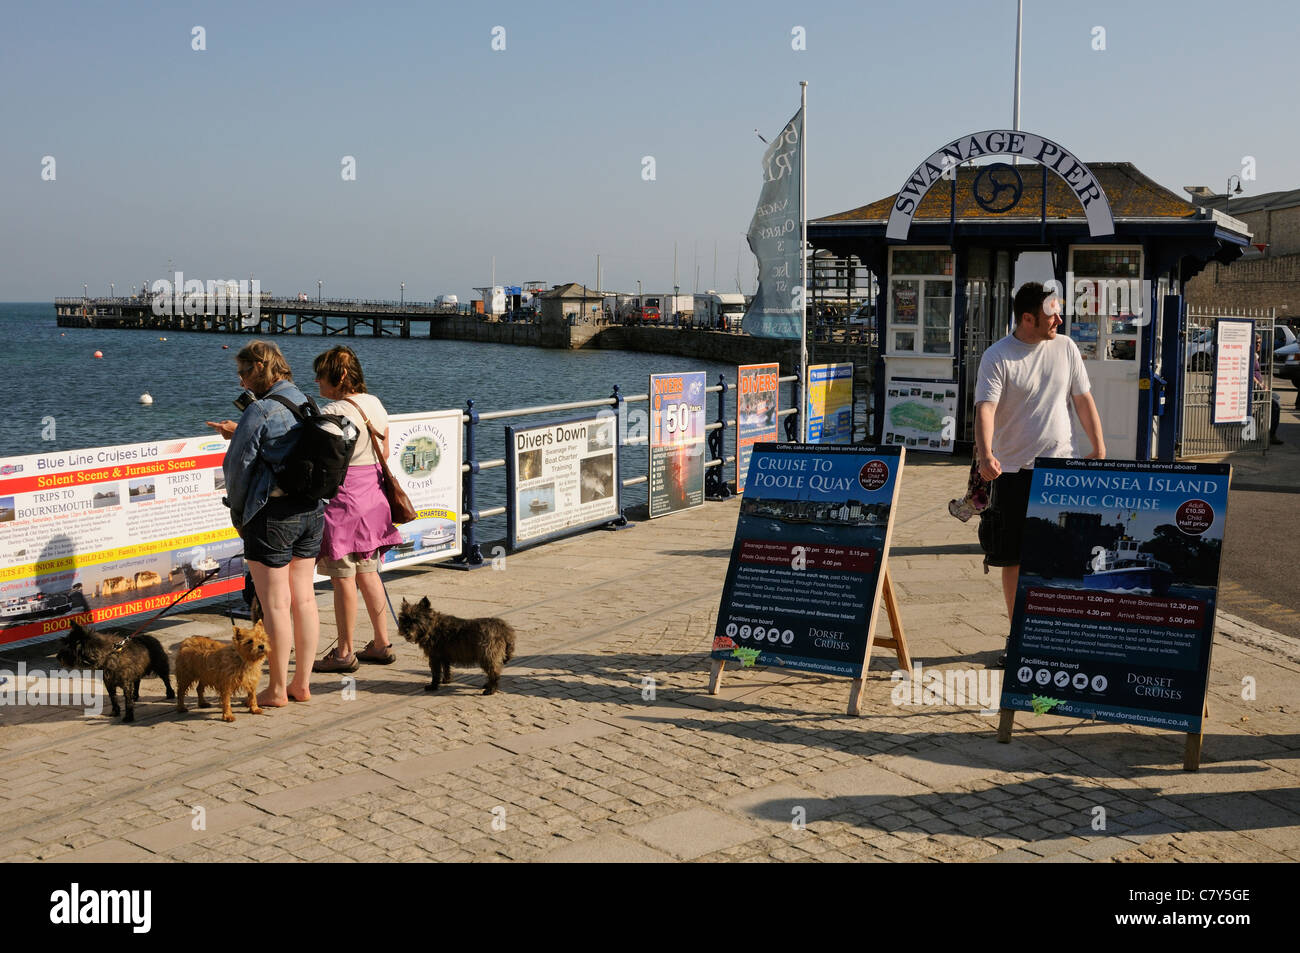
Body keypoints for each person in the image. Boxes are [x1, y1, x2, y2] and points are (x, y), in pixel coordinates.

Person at [974, 282, 1106, 666]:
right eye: (1052, 314)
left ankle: (1057, 634)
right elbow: (985, 408)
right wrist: (985, 455)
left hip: (1059, 470)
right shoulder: (998, 357)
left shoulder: (1065, 347)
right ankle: (1020, 636)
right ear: (1028, 317)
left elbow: (1083, 400)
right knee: (1013, 559)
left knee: (1061, 558)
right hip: (1012, 472)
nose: (1060, 320)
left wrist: (1097, 447)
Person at [206, 340, 323, 705]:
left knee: (274, 604)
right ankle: (300, 684)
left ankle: (275, 689)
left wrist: (239, 516)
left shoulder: (261, 411)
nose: (242, 383)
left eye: (243, 373)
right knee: (304, 599)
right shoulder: (305, 401)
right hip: (311, 512)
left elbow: (236, 469)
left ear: (260, 368)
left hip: (272, 516)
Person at [310, 346, 402, 672]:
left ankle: (343, 652)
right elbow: (386, 450)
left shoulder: (332, 410)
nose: (317, 380)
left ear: (340, 377)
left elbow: (322, 462)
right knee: (369, 573)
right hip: (374, 500)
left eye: (321, 374)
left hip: (344, 504)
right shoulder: (374, 404)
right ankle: (381, 642)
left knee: (343, 580)